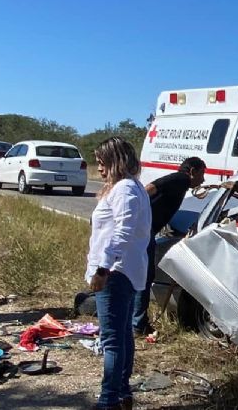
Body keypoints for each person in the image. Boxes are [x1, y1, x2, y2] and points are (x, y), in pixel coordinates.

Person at [85, 137, 152, 410]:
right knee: (122, 336)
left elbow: (122, 233)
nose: (99, 169)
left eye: (102, 163)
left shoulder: (125, 190)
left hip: (116, 272)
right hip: (122, 269)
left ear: (116, 161)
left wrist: (102, 269)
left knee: (111, 340)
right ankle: (122, 394)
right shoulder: (128, 187)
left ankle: (108, 400)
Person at [132, 156, 206, 336]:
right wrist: (136, 211)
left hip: (144, 229)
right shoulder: (180, 179)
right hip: (143, 230)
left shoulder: (181, 184)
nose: (202, 180)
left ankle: (136, 322)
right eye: (201, 174)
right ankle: (138, 324)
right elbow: (150, 188)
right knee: (145, 276)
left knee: (140, 275)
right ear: (192, 171)